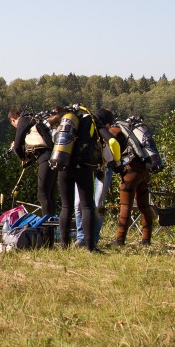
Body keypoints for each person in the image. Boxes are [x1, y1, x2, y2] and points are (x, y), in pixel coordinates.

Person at [51, 105, 99, 251]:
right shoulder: (87, 121)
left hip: (63, 166)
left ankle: (64, 246)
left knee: (66, 206)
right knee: (87, 206)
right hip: (82, 167)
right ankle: (91, 247)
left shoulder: (62, 126)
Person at [73, 108, 120, 248]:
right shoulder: (92, 128)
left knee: (91, 204)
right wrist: (118, 162)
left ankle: (92, 238)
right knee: (86, 204)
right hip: (88, 167)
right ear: (107, 124)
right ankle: (82, 237)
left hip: (102, 168)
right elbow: (114, 143)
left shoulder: (89, 127)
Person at [111, 116, 154, 246]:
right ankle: (146, 239)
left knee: (125, 206)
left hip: (131, 171)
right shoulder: (137, 133)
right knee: (144, 206)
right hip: (145, 172)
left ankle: (120, 239)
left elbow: (110, 145)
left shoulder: (116, 130)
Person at [8, 108, 57, 216]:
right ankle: (52, 226)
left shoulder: (23, 121)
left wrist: (22, 157)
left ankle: (47, 228)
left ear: (12, 119)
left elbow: (17, 147)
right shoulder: (33, 119)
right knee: (49, 194)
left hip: (46, 158)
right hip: (53, 156)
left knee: (42, 194)